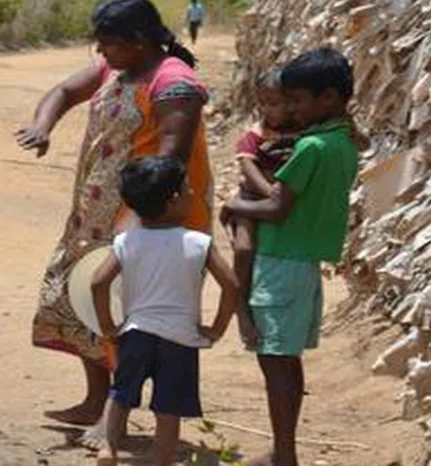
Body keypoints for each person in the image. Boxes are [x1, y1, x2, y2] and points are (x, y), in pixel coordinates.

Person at [15, 0, 213, 447]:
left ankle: (112, 418)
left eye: (109, 44)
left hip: (149, 217)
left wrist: (142, 220)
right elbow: (63, 91)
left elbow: (171, 159)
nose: (101, 54)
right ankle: (95, 399)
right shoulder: (116, 70)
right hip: (94, 213)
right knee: (89, 302)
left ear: (140, 41)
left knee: (132, 315)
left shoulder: (174, 83)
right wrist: (42, 126)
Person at [221, 48, 359, 466]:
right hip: (302, 261)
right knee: (287, 361)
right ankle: (284, 451)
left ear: (329, 98)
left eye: (298, 100)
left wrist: (234, 205)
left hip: (280, 259)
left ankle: (284, 455)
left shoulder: (312, 147)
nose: (293, 110)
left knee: (275, 364)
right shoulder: (343, 142)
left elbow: (277, 207)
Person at [92, 157, 238, 466]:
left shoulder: (126, 241)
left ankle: (108, 449)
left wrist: (108, 326)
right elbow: (232, 285)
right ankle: (163, 461)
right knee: (168, 411)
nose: (191, 194)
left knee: (120, 395)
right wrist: (216, 328)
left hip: (136, 333)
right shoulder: (199, 242)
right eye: (186, 189)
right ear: (173, 200)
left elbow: (97, 283)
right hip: (180, 339)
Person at [230, 69, 298, 347]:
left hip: (280, 198)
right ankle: (241, 310)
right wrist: (269, 192)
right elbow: (248, 167)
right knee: (244, 249)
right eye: (264, 103)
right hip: (251, 198)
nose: (269, 109)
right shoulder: (256, 134)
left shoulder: (304, 130)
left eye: (275, 102)